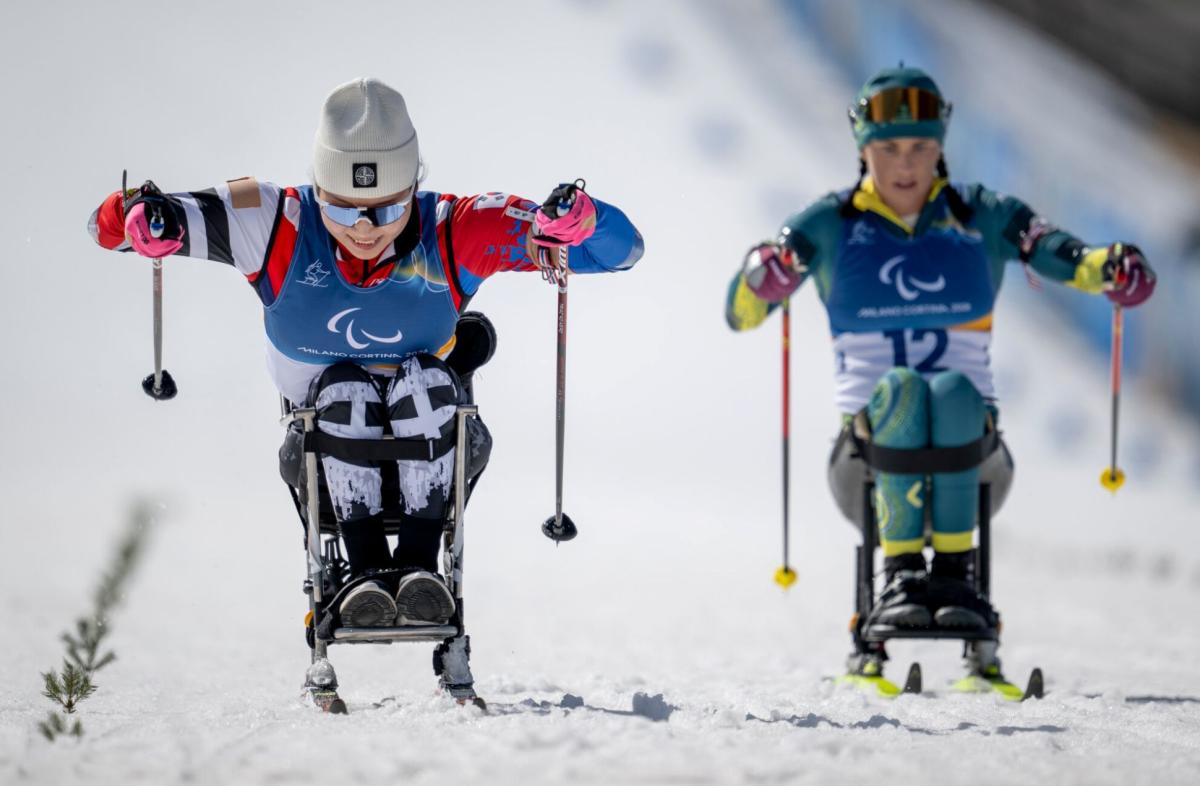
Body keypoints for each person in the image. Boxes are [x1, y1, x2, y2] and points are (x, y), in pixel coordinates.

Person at [89, 77, 644, 700]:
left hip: (436, 442)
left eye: (384, 207)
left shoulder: (457, 227)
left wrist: (579, 220)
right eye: (341, 207)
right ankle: (360, 575)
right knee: (345, 387)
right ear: (317, 188)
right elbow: (113, 226)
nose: (363, 228)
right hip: (323, 455)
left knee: (425, 381)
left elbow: (620, 253)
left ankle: (417, 569)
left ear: (413, 186)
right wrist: (138, 216)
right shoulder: (270, 220)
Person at [725, 66, 1155, 690]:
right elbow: (740, 313)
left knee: (953, 392)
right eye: (888, 149)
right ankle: (899, 576)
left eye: (921, 148)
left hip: (977, 460)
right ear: (862, 148)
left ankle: (956, 578)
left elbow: (1065, 255)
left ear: (941, 145)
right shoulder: (828, 224)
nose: (905, 165)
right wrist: (761, 278)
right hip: (863, 468)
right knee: (902, 390)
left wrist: (1109, 268)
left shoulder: (980, 215)